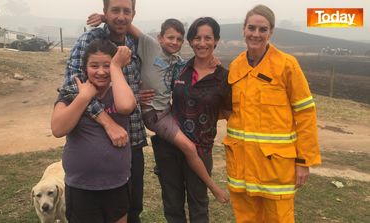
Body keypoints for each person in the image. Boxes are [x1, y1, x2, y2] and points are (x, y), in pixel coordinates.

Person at [87, 14, 228, 203]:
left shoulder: (177, 60)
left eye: (179, 39)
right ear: (160, 38)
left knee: (186, 145)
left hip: (166, 111)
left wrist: (214, 61)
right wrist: (106, 17)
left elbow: (196, 64)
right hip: (154, 114)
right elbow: (129, 27)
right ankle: (214, 188)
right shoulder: (150, 46)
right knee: (188, 147)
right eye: (170, 37)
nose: (174, 42)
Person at [224, 5, 322, 222]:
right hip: (242, 166)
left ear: (271, 32)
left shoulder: (287, 65)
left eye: (262, 29)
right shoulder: (236, 66)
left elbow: (305, 113)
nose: (256, 34)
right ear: (243, 29)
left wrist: (303, 161)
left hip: (275, 168)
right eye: (251, 28)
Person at [59, 0, 147, 222]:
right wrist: (108, 122)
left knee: (132, 207)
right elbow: (72, 87)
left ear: (133, 14)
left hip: (132, 137)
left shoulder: (133, 43)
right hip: (98, 139)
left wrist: (139, 93)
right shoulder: (91, 40)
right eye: (115, 10)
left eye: (126, 11)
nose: (121, 16)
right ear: (105, 12)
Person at [150, 17, 231, 223]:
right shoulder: (180, 68)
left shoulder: (224, 78)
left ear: (216, 41)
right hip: (169, 146)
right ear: (190, 41)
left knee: (198, 205)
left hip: (201, 149)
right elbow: (158, 85)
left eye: (207, 38)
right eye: (196, 38)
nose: (202, 43)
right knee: (172, 204)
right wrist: (141, 95)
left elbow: (228, 112)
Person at [51, 39, 136, 223]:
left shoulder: (120, 91)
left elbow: (126, 106)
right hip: (81, 186)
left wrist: (116, 67)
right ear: (85, 67)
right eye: (94, 65)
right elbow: (58, 129)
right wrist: (83, 97)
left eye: (107, 65)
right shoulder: (70, 94)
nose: (101, 71)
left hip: (117, 184)